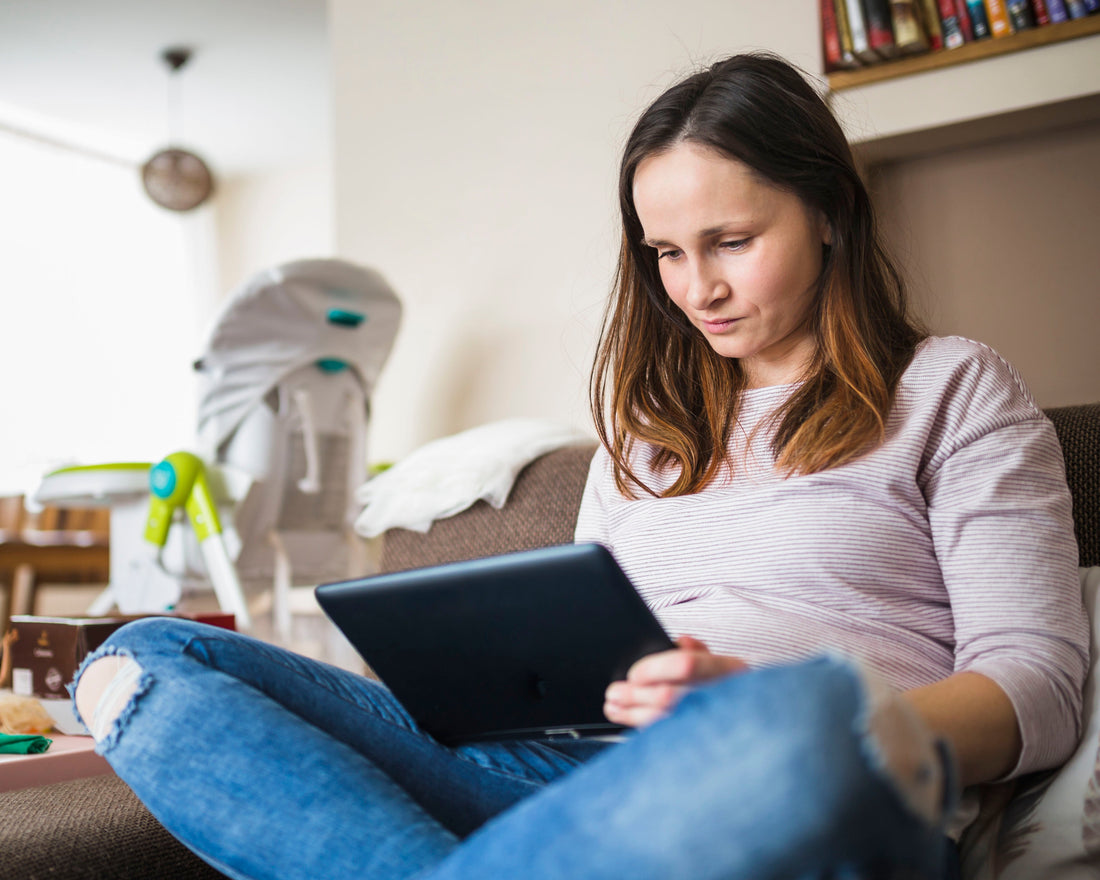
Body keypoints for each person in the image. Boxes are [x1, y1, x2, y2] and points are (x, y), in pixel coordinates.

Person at [72, 52, 1087, 880]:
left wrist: (766, 705)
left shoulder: (953, 391)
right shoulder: (645, 435)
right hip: (563, 786)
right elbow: (570, 657)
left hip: (803, 781)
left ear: (827, 212)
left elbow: (1035, 687)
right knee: (145, 660)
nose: (698, 288)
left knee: (804, 708)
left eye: (730, 240)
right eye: (665, 253)